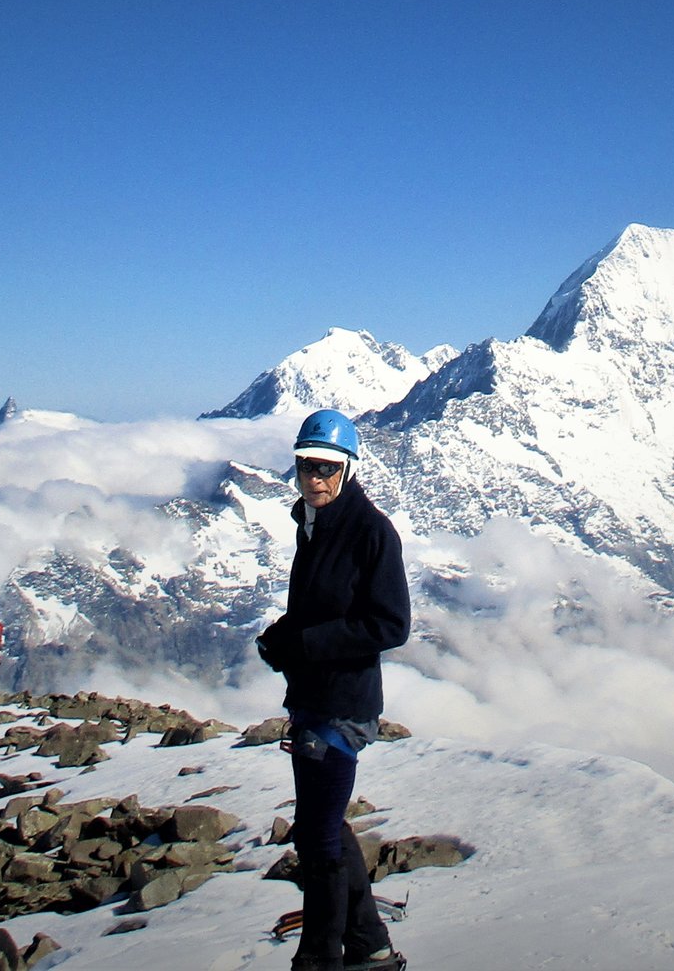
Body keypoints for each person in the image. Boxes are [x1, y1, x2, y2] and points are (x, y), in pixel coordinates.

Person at [258, 409, 411, 971]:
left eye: (325, 468)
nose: (314, 478)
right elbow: (319, 609)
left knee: (317, 836)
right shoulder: (313, 523)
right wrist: (283, 638)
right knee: (324, 824)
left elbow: (390, 625)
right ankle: (368, 946)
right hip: (312, 698)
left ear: (346, 469)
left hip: (343, 705)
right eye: (305, 467)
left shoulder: (371, 532)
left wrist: (310, 644)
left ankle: (319, 959)